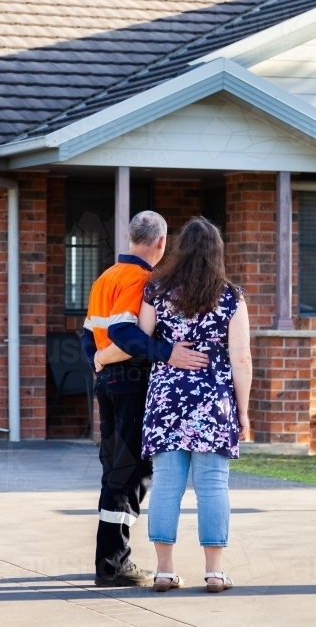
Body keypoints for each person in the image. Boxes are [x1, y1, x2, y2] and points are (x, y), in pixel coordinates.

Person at [93, 216, 252, 594]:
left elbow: (137, 336)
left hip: (166, 401)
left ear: (178, 248)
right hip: (213, 402)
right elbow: (241, 359)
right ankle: (214, 572)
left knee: (166, 485)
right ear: (217, 253)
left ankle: (164, 571)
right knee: (213, 485)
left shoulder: (157, 291)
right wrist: (242, 412)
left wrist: (102, 355)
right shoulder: (231, 297)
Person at [80, 210, 209, 588]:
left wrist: (97, 361)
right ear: (161, 242)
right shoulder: (141, 278)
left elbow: (89, 335)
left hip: (107, 382)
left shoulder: (106, 277)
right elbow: (122, 332)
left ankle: (110, 559)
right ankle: (113, 564)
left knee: (116, 467)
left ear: (131, 236)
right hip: (132, 382)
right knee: (131, 470)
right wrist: (168, 352)